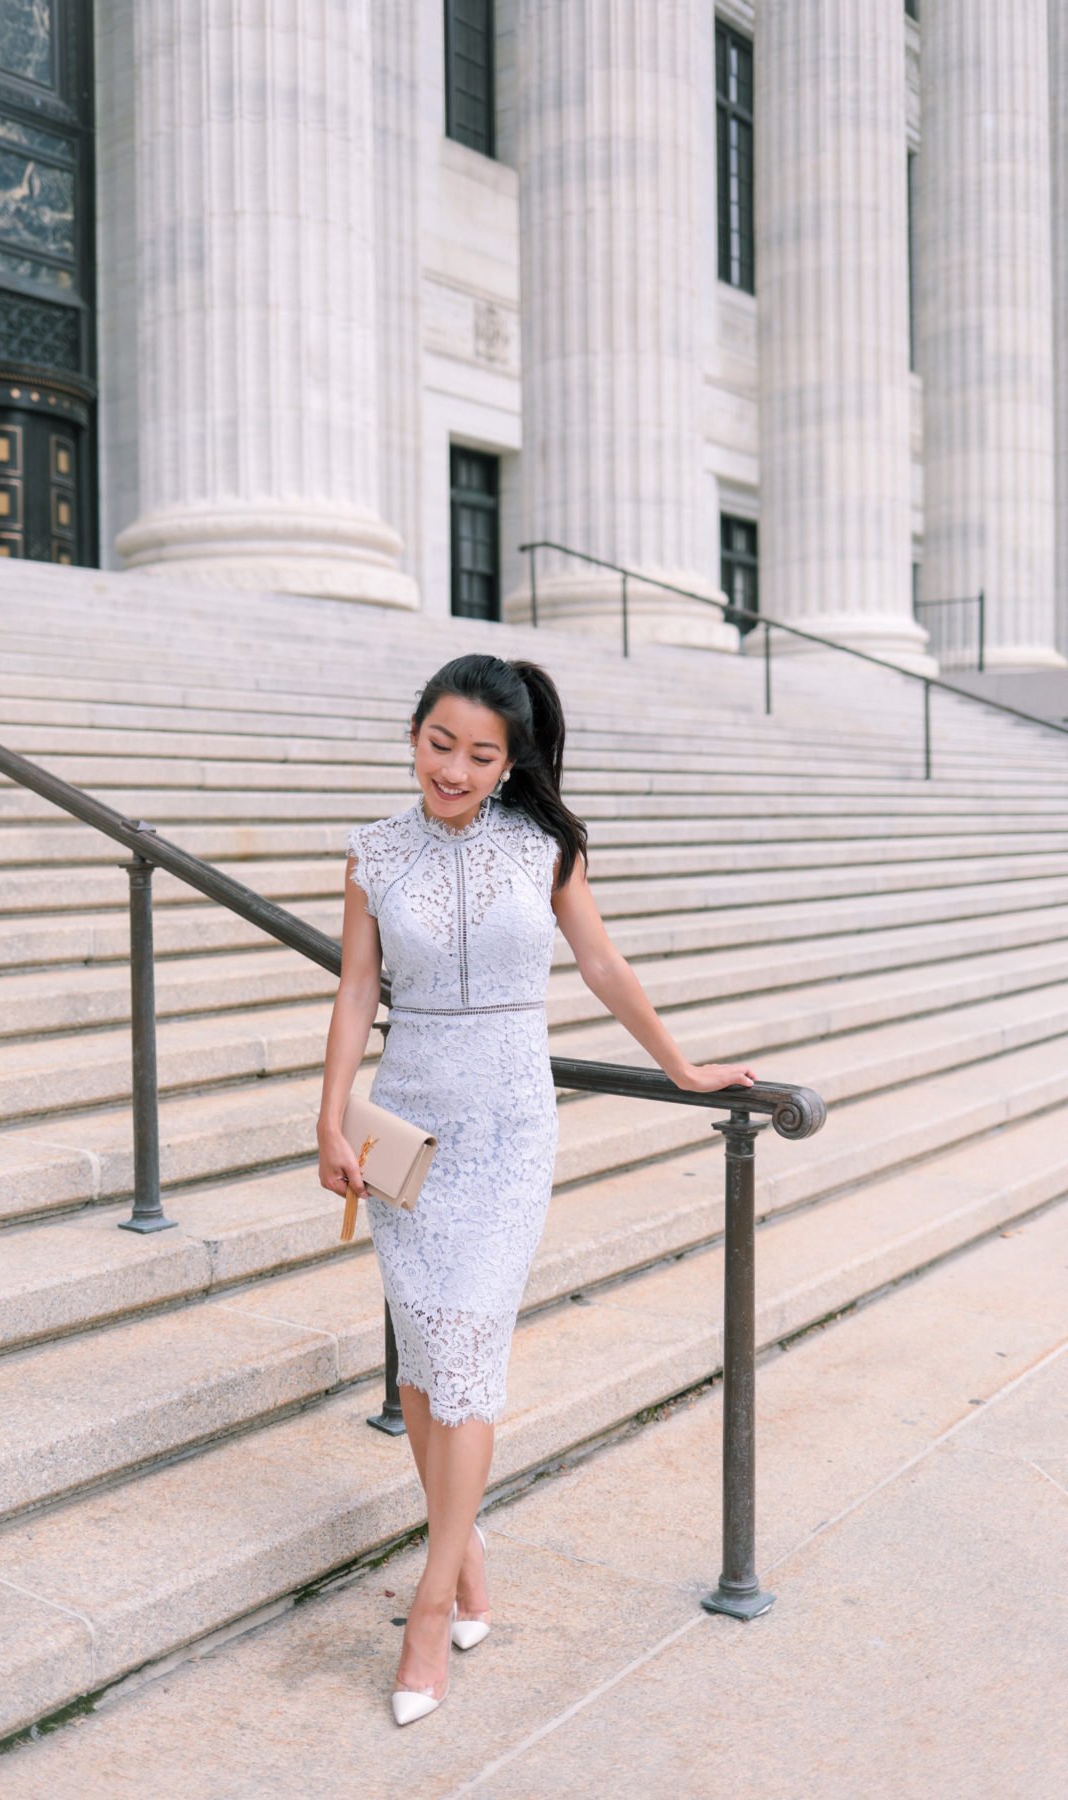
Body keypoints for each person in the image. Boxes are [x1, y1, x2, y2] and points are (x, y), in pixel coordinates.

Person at [316, 653, 755, 1725]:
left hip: (509, 1122)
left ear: (511, 765)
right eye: (439, 744)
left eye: (480, 755)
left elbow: (600, 965)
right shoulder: (373, 853)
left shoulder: (544, 848)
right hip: (406, 1123)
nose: (453, 770)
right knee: (425, 1351)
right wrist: (329, 1114)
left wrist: (682, 1066)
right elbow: (359, 987)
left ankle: (432, 1607)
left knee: (466, 1342)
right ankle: (466, 1564)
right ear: (412, 733)